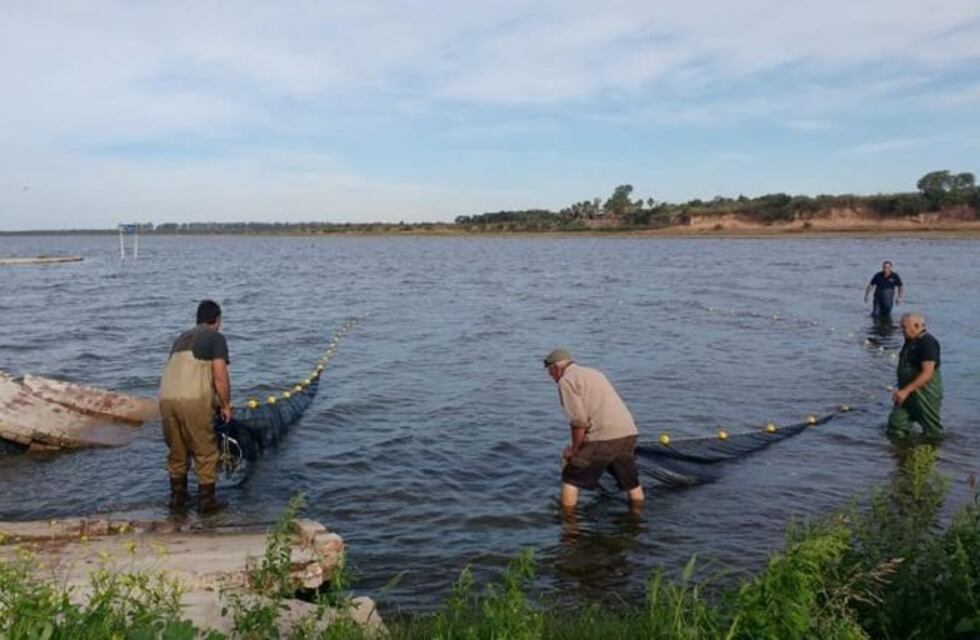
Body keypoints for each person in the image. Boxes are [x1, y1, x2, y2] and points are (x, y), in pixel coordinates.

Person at [544, 348, 644, 510]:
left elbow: (579, 421)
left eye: (549, 372)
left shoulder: (566, 380)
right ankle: (638, 516)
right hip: (628, 433)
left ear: (556, 367)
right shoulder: (595, 373)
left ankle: (569, 525)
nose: (550, 377)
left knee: (570, 478)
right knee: (631, 482)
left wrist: (575, 451)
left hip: (603, 437)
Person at [159, 300, 233, 513]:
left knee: (178, 451)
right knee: (206, 452)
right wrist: (226, 405)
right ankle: (207, 504)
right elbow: (220, 376)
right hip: (193, 400)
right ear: (217, 320)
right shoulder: (216, 337)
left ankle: (177, 501)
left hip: (166, 399)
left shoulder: (181, 338)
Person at [888, 313, 943, 439]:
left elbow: (928, 372)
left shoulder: (928, 343)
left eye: (904, 327)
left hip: (925, 394)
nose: (901, 330)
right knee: (896, 425)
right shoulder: (910, 341)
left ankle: (934, 453)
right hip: (907, 393)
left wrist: (906, 391)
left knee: (932, 430)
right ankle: (901, 453)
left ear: (916, 326)